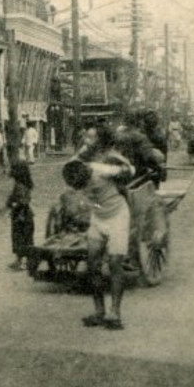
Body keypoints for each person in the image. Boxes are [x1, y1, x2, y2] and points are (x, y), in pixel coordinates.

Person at [63, 142, 134, 331]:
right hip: (98, 217)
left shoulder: (102, 170)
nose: (83, 187)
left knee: (114, 264)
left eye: (84, 183)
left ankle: (115, 313)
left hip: (118, 216)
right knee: (93, 264)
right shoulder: (74, 169)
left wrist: (121, 164)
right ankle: (99, 311)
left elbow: (130, 170)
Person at [6, 162, 36, 270]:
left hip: (21, 215)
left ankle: (21, 262)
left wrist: (13, 205)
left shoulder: (19, 185)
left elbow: (22, 201)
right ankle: (27, 261)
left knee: (19, 238)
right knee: (26, 238)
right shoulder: (25, 184)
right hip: (26, 215)